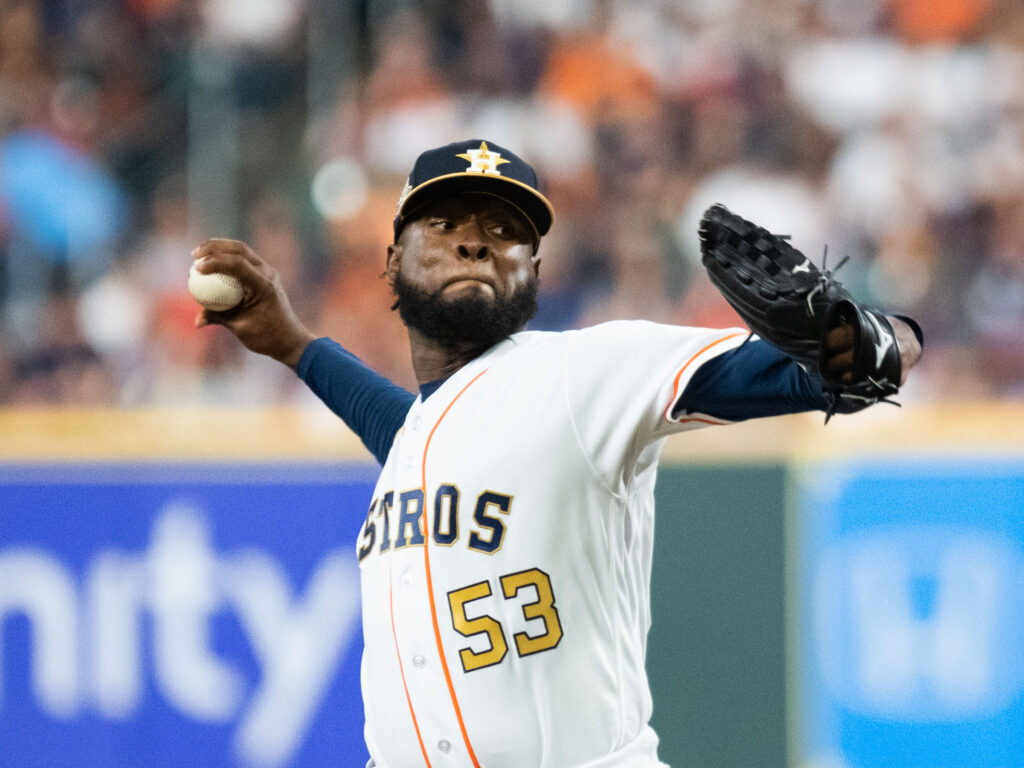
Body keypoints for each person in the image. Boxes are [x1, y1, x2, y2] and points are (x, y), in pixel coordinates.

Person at [191, 139, 923, 768]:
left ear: (535, 273)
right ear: (392, 261)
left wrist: (857, 343)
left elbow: (850, 362)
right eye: (444, 223)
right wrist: (293, 345)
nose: (475, 241)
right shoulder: (430, 434)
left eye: (504, 230)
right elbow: (409, 430)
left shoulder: (583, 374)